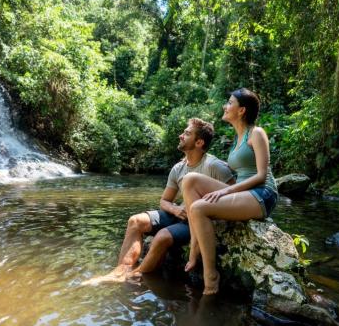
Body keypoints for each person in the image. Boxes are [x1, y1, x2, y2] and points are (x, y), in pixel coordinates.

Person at [84, 118, 234, 285]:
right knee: (135, 221)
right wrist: (175, 210)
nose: (180, 135)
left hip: (198, 221)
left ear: (199, 142)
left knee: (162, 236)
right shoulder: (178, 168)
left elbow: (235, 195)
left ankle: (134, 274)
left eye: (187, 133)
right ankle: (120, 270)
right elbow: (164, 201)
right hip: (179, 214)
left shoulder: (215, 166)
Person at [182, 88, 278, 295]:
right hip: (243, 191)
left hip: (262, 193)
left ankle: (211, 277)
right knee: (189, 180)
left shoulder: (257, 133)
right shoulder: (237, 138)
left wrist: (225, 192)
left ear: (241, 110)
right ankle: (194, 247)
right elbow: (238, 169)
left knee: (199, 208)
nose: (225, 106)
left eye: (229, 102)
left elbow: (261, 175)